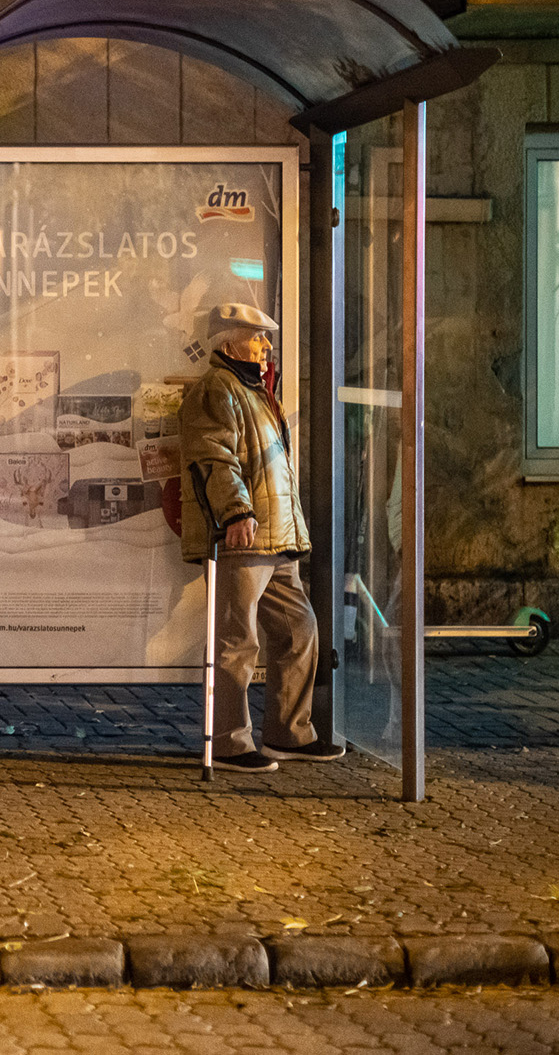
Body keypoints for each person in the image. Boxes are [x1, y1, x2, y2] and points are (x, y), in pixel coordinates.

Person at [179, 302, 346, 773]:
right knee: (237, 640)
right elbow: (214, 457)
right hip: (244, 536)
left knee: (299, 630)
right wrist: (236, 512)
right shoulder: (218, 389)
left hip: (275, 537)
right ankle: (229, 743)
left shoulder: (253, 390)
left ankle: (288, 734)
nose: (266, 346)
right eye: (257, 337)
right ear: (229, 344)